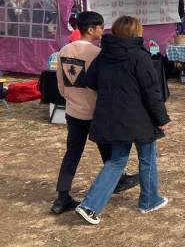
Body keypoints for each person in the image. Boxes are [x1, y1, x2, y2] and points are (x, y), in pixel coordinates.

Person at [76, 16, 170, 225]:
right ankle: (149, 200)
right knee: (147, 158)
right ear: (136, 32)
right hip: (139, 118)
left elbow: (90, 81)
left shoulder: (104, 55)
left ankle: (90, 205)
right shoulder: (139, 56)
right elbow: (151, 92)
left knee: (117, 160)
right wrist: (162, 118)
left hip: (113, 117)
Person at [51, 12, 138, 215]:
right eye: (100, 27)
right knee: (109, 153)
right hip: (95, 112)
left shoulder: (64, 51)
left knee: (72, 154)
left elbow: (61, 84)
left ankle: (62, 196)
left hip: (73, 111)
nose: (103, 30)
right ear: (90, 29)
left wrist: (71, 99)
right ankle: (118, 180)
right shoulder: (98, 53)